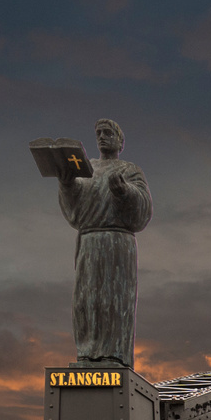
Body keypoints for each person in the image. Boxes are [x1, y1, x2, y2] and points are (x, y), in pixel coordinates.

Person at [50, 118, 152, 367]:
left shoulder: (130, 170)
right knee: (86, 300)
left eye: (108, 132)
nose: (102, 136)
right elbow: (74, 209)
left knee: (114, 300)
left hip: (118, 244)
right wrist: (66, 183)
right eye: (98, 133)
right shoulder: (87, 169)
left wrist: (124, 191)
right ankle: (87, 352)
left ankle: (113, 354)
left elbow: (144, 209)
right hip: (89, 242)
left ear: (120, 141)